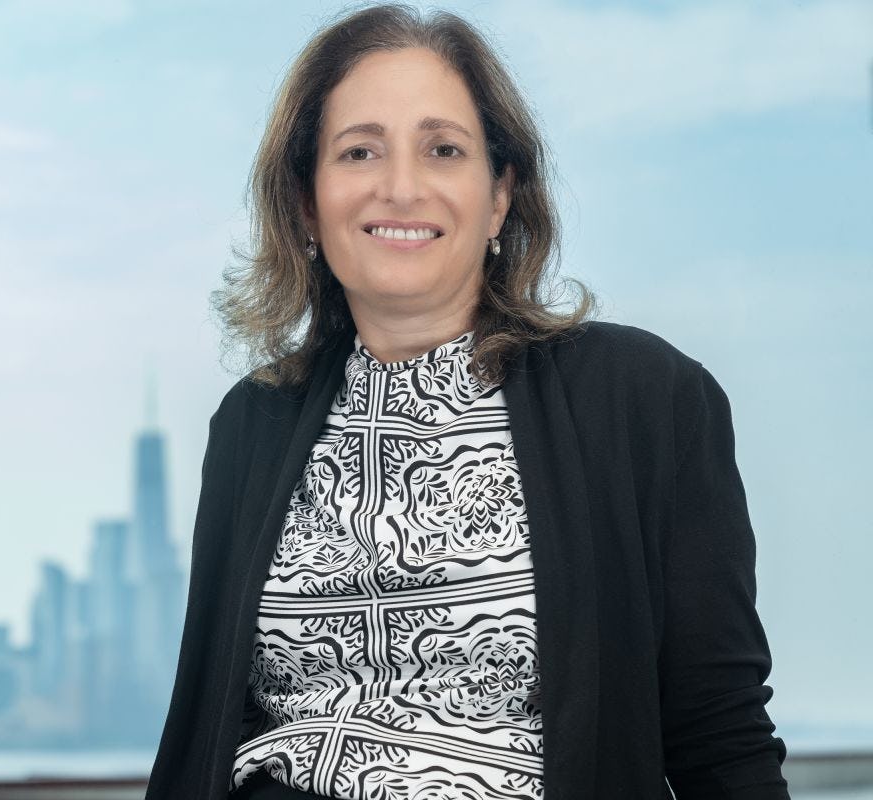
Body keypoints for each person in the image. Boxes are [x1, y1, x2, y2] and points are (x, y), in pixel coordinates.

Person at [145, 5, 788, 799]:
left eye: (443, 149)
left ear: (499, 197)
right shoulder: (252, 420)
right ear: (308, 204)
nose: (401, 187)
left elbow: (719, 733)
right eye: (358, 151)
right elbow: (213, 723)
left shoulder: (643, 398)